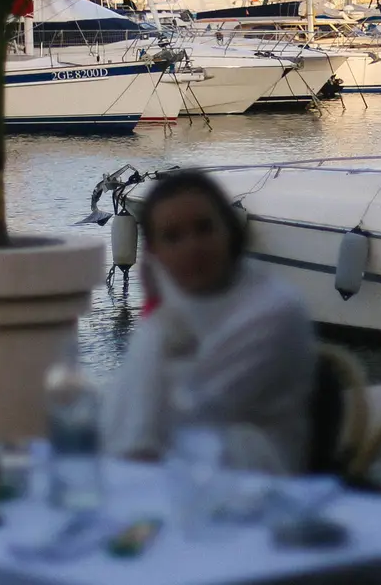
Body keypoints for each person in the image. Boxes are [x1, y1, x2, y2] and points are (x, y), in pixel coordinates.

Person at [101, 170, 316, 472]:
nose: (192, 247)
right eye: (172, 237)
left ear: (230, 231)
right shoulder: (173, 309)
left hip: (254, 483)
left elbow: (194, 415)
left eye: (203, 229)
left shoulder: (274, 311)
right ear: (156, 252)